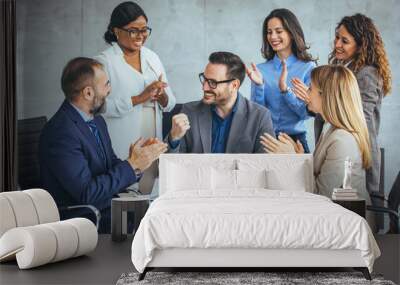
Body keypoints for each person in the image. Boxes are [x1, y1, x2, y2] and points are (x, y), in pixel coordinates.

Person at [39, 57, 167, 233]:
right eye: (106, 84)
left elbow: (109, 166)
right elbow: (87, 194)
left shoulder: (96, 120)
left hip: (108, 206)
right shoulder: (60, 133)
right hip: (84, 219)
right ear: (88, 93)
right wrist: (131, 165)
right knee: (157, 224)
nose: (110, 90)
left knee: (162, 213)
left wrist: (137, 161)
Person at [293, 14, 392, 195]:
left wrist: (318, 101)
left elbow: (357, 119)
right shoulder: (344, 67)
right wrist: (313, 101)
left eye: (344, 41)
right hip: (339, 153)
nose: (337, 44)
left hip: (358, 155)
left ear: (362, 44)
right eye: (337, 37)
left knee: (363, 210)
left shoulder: (367, 74)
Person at [261, 65, 371, 205]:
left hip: (346, 220)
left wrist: (291, 159)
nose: (307, 93)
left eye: (310, 88)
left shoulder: (343, 141)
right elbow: (318, 174)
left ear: (325, 95)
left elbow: (321, 198)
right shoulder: (329, 128)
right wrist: (301, 158)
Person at [96, 1, 176, 194]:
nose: (141, 35)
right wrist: (140, 97)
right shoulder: (104, 62)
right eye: (133, 30)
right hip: (122, 136)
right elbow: (100, 107)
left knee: (149, 189)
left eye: (144, 29)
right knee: (125, 190)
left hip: (151, 132)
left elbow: (170, 103)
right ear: (117, 31)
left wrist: (163, 96)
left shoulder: (152, 57)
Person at [166, 51, 274, 154]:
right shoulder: (189, 111)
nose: (204, 87)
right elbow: (170, 165)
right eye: (204, 79)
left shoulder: (260, 117)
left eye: (213, 82)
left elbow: (266, 164)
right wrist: (174, 138)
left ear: (234, 85)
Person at [246, 8, 316, 153]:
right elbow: (257, 114)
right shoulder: (261, 70)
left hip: (295, 140)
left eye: (279, 31)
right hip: (266, 139)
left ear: (291, 32)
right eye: (269, 32)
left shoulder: (308, 67)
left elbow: (305, 113)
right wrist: (259, 86)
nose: (272, 37)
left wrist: (285, 91)